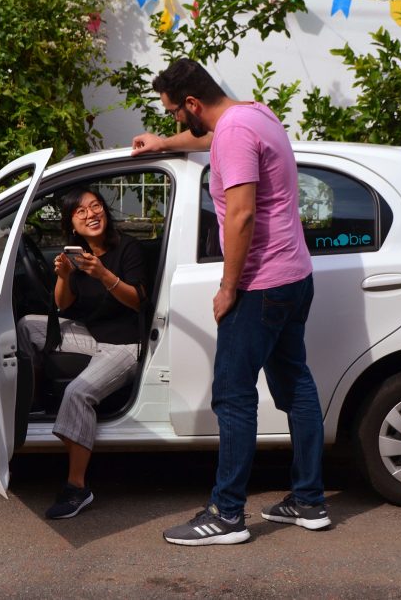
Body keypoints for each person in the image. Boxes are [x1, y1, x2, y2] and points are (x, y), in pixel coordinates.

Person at [132, 58, 329, 545]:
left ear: (193, 103)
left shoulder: (236, 132)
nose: (176, 121)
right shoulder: (253, 115)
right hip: (294, 275)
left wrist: (228, 286)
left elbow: (240, 215)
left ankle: (227, 515)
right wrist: (164, 144)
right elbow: (208, 140)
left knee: (233, 396)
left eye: (176, 113)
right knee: (296, 387)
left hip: (261, 283)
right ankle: (309, 501)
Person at [16, 187, 146, 519]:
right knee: (27, 325)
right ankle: (31, 400)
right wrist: (63, 275)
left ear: (106, 211)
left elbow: (137, 301)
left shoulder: (128, 249)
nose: (91, 214)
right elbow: (62, 305)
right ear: (72, 225)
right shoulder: (79, 254)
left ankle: (77, 487)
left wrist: (103, 274)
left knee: (77, 393)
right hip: (94, 335)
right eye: (81, 212)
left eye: (96, 206)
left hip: (126, 344)